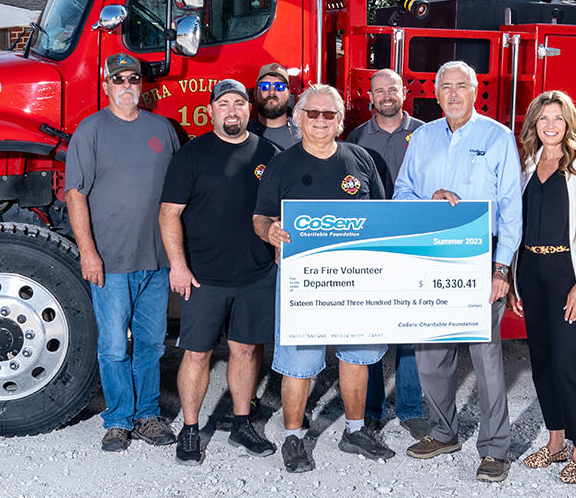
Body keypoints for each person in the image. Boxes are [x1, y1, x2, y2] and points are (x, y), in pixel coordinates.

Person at [393, 60, 522, 483]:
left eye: (460, 86)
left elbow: (511, 210)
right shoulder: (423, 137)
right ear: (435, 92)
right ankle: (443, 432)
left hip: (481, 262)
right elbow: (401, 194)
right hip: (430, 258)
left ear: (474, 90)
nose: (452, 94)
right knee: (431, 353)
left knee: (485, 358)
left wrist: (501, 268)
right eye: (444, 86)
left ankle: (495, 448)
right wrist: (430, 198)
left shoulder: (498, 137)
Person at [254, 84, 392, 474]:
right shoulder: (282, 164)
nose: (319, 120)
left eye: (328, 114)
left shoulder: (361, 160)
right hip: (304, 281)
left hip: (357, 279)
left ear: (339, 121)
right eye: (311, 114)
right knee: (300, 360)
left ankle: (355, 430)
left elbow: (382, 219)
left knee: (357, 355)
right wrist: (271, 232)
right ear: (299, 120)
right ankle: (294, 437)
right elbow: (260, 216)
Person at [159, 79, 280, 465]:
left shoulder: (269, 153)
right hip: (204, 276)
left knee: (246, 350)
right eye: (224, 103)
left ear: (249, 109)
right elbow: (169, 214)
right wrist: (178, 264)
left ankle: (242, 424)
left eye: (239, 103)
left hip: (256, 273)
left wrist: (279, 251)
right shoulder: (191, 155)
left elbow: (280, 212)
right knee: (197, 355)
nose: (232, 110)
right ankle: (191, 429)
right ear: (211, 110)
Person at [65, 53, 180, 453]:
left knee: (151, 344)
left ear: (141, 85)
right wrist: (88, 253)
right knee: (114, 346)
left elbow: (179, 196)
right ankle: (117, 420)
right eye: (119, 80)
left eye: (133, 78)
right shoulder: (91, 130)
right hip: (110, 261)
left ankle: (147, 415)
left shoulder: (163, 130)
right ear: (106, 86)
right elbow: (75, 195)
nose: (127, 85)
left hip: (157, 260)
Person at [508, 90, 576, 484]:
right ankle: (554, 445)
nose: (550, 125)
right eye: (543, 119)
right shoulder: (529, 163)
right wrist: (515, 277)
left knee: (567, 364)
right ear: (534, 123)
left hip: (566, 272)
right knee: (542, 360)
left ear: (569, 123)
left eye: (558, 118)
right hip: (531, 270)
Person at [346, 69, 428, 440]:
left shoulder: (427, 133)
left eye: (392, 89)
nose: (386, 96)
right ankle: (373, 409)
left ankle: (411, 408)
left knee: (411, 331)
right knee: (374, 328)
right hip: (373, 244)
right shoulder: (357, 137)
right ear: (371, 97)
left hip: (415, 241)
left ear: (404, 92)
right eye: (379, 91)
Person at [247, 62, 300, 150]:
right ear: (256, 94)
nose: (272, 92)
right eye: (264, 86)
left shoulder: (302, 133)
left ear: (288, 95)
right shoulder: (243, 131)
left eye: (279, 86)